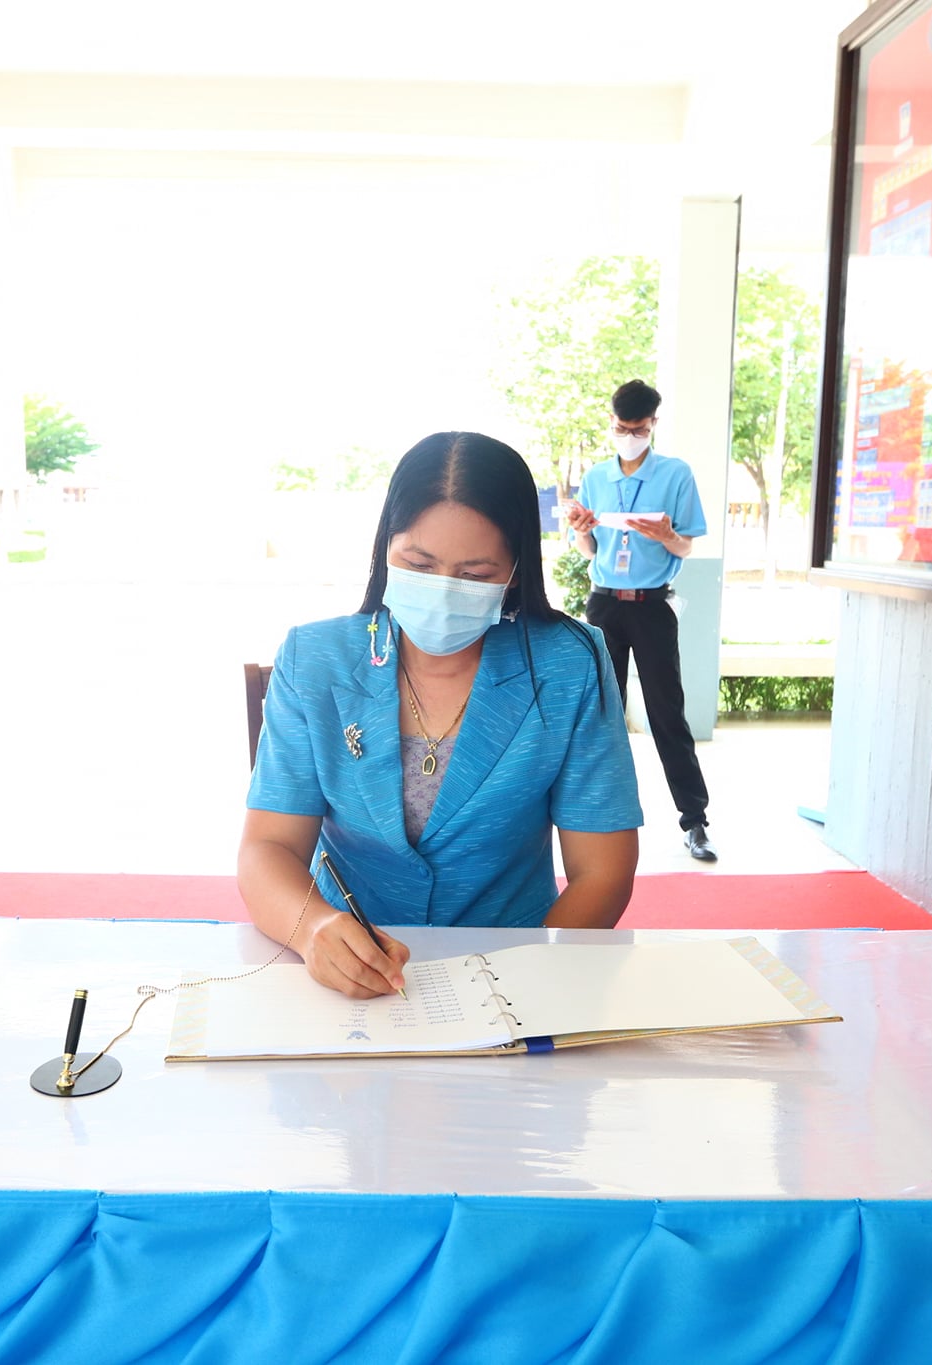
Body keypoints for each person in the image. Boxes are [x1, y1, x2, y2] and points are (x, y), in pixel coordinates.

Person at [239, 431, 642, 999]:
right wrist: (314, 930)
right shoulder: (315, 660)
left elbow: (603, 870)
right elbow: (268, 847)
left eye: (475, 575)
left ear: (516, 570)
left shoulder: (568, 664)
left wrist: (513, 989)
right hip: (348, 968)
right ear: (386, 547)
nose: (443, 591)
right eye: (418, 564)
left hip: (516, 975)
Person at [565, 379, 716, 862]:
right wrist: (581, 531)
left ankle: (695, 821)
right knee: (600, 713)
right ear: (611, 423)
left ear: (653, 424)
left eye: (638, 429)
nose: (629, 436)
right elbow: (589, 550)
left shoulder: (675, 474)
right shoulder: (595, 478)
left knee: (666, 713)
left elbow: (686, 547)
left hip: (652, 606)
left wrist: (668, 535)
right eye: (621, 428)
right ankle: (594, 820)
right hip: (604, 604)